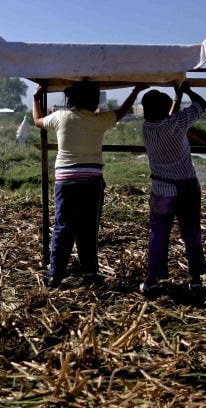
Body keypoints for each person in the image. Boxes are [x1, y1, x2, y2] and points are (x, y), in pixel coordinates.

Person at [32, 81, 146, 288]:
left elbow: (37, 120)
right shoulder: (99, 120)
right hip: (91, 180)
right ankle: (90, 274)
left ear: (71, 100)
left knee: (63, 227)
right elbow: (121, 112)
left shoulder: (61, 117)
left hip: (66, 181)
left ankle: (55, 275)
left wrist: (35, 98)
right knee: (87, 228)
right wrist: (135, 90)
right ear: (94, 101)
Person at [139, 82, 206, 295]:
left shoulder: (146, 128)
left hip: (162, 190)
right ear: (165, 109)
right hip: (187, 187)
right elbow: (201, 104)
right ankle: (196, 280)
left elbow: (166, 116)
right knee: (191, 233)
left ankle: (152, 280)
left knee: (158, 235)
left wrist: (175, 99)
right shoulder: (177, 123)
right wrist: (184, 91)